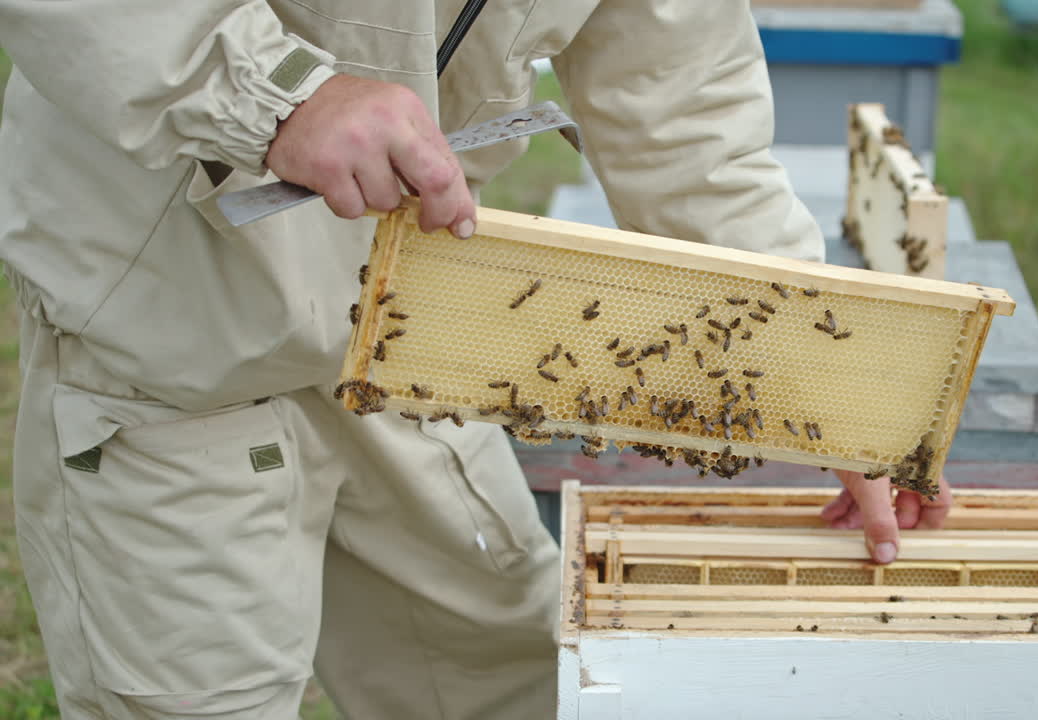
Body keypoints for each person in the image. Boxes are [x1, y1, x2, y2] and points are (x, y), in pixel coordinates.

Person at [0, 1, 952, 718]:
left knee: (513, 674)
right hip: (170, 324)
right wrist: (279, 89)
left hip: (399, 334)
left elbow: (689, 118)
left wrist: (826, 385)